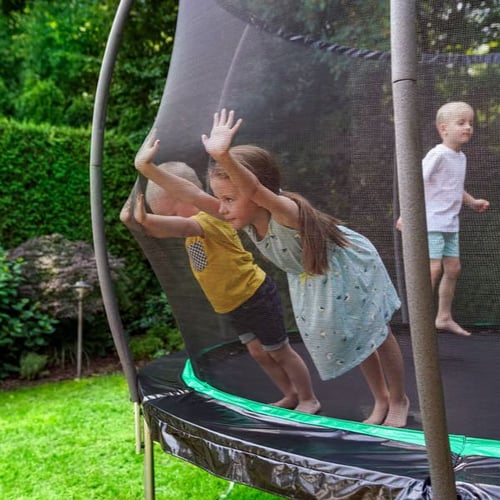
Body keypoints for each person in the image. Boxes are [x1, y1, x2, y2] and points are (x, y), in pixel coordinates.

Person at [200, 109, 409, 428]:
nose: (222, 207)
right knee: (356, 337)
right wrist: (146, 168)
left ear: (258, 194)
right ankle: (380, 398)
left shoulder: (284, 212)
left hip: (349, 267)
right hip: (322, 279)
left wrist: (224, 157)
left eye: (229, 198)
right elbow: (195, 197)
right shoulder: (247, 219)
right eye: (221, 199)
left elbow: (254, 190)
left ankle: (398, 399)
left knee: (377, 332)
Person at [122, 132, 321, 414]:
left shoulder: (210, 220)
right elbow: (159, 229)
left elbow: (175, 226)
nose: (172, 221)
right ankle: (289, 394)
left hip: (255, 295)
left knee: (279, 351)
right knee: (257, 352)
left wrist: (143, 218)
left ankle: (308, 397)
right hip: (233, 304)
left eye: (173, 213)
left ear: (186, 202)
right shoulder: (191, 223)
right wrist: (137, 220)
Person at [396, 101, 490, 336]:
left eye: (470, 123)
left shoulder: (461, 158)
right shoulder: (437, 154)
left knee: (453, 269)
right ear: (443, 128)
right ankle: (419, 319)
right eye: (461, 123)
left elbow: (454, 187)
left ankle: (443, 316)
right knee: (433, 269)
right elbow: (413, 180)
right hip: (431, 221)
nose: (468, 127)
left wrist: (472, 202)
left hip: (450, 223)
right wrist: (405, 215)